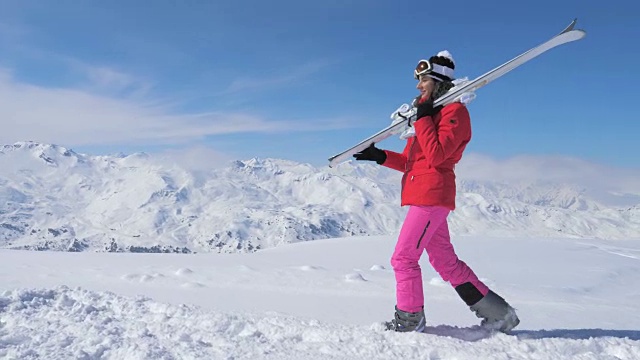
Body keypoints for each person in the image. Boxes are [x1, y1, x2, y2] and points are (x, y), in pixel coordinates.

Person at [353, 51, 520, 333]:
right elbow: (411, 161)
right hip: (423, 193)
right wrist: (380, 156)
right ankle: (500, 314)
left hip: (432, 196)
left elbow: (438, 155)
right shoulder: (431, 115)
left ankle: (409, 319)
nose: (418, 86)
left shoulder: (455, 113)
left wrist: (422, 119)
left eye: (424, 80)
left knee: (403, 258)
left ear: (439, 81)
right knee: (445, 261)